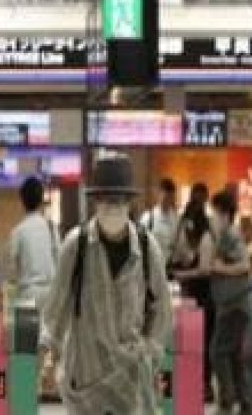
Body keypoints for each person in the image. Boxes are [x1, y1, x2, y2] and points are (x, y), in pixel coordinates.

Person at [40, 155, 172, 415]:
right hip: (86, 380)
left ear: (128, 202)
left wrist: (151, 353)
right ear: (95, 202)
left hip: (131, 380)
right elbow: (55, 309)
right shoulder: (76, 247)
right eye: (105, 199)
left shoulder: (147, 249)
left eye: (118, 199)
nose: (112, 206)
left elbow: (162, 308)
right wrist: (45, 356)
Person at [209, 190, 252, 415]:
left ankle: (227, 401)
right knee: (234, 355)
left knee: (217, 352)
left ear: (225, 214)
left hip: (234, 305)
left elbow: (245, 266)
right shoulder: (224, 236)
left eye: (216, 212)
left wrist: (220, 268)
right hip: (233, 305)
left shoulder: (231, 235)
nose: (214, 217)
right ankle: (245, 403)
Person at [171, 185, 215, 401]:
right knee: (190, 341)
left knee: (204, 342)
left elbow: (204, 269)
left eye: (190, 232)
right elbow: (184, 254)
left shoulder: (206, 238)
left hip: (206, 296)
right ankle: (192, 382)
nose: (188, 236)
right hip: (192, 295)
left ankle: (205, 385)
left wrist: (184, 275)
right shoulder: (190, 236)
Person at [4, 177, 59, 309]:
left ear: (22, 202)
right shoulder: (51, 228)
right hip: (51, 294)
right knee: (49, 330)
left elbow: (10, 269)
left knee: (29, 330)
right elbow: (59, 260)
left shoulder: (18, 231)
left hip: (27, 295)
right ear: (41, 200)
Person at [140, 178, 180, 267]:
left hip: (171, 265)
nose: (168, 200)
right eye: (165, 196)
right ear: (158, 194)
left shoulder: (176, 219)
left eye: (171, 197)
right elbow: (141, 243)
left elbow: (179, 243)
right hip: (153, 265)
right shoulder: (148, 218)